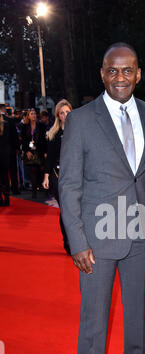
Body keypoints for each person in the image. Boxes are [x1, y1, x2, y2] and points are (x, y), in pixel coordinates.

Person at [59, 43, 145, 354]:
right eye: (112, 70)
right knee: (94, 317)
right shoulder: (83, 120)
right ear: (103, 74)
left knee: (138, 312)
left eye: (128, 70)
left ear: (138, 74)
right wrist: (77, 240)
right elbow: (68, 185)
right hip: (98, 237)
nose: (120, 77)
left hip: (141, 235)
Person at [42, 99, 72, 255]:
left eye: (67, 112)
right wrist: (46, 176)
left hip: (75, 176)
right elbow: (50, 158)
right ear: (58, 116)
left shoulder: (78, 132)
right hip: (57, 175)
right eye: (62, 113)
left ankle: (77, 240)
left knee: (76, 210)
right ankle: (68, 241)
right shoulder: (53, 134)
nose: (65, 115)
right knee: (66, 209)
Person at [20, 108, 47, 198]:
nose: (34, 115)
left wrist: (45, 152)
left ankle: (44, 188)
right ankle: (34, 191)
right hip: (30, 151)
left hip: (40, 150)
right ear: (28, 116)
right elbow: (23, 140)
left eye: (35, 113)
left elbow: (44, 140)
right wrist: (27, 150)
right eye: (31, 114)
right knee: (32, 170)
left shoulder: (41, 125)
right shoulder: (24, 126)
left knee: (42, 169)